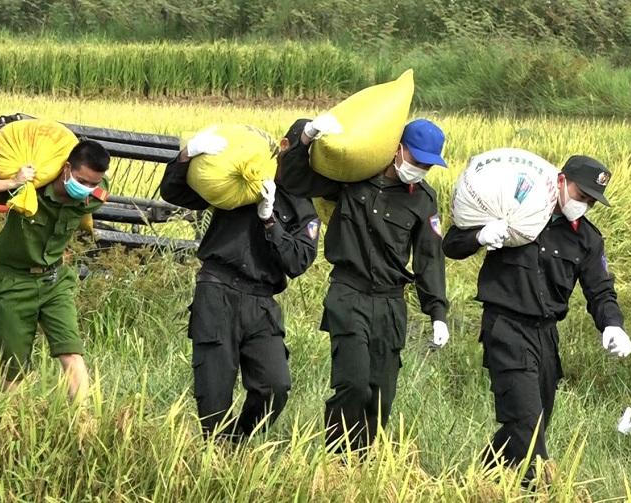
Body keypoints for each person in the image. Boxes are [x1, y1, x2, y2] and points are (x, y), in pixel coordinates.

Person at [442, 155, 631, 476]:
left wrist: (613, 326)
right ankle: (535, 491)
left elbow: (600, 290)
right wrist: (481, 235)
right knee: (527, 426)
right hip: (505, 327)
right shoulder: (516, 210)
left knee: (535, 423)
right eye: (579, 194)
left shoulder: (587, 239)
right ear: (560, 181)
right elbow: (451, 244)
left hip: (546, 336)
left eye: (590, 200)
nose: (583, 204)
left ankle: (480, 480)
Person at [280, 117, 450, 452]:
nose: (420, 170)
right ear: (398, 150)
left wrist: (438, 312)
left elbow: (430, 258)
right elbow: (295, 180)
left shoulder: (423, 200)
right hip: (349, 293)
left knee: (381, 398)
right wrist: (305, 139)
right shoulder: (352, 179)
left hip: (390, 304)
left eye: (428, 166)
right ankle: (335, 460)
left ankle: (362, 465)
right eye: (416, 161)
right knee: (354, 385)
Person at [160, 120, 319, 440]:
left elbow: (297, 261)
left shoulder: (305, 209)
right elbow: (174, 192)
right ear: (283, 148)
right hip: (217, 287)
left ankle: (237, 441)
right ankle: (214, 452)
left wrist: (270, 220)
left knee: (275, 387)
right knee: (213, 395)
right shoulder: (242, 172)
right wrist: (186, 156)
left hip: (262, 303)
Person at [0, 140, 111, 401]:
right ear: (66, 169)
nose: (86, 188)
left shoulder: (95, 195)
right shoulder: (30, 189)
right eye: (81, 180)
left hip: (55, 280)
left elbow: (92, 199)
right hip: (12, 282)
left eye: (92, 183)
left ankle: (85, 424)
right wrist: (13, 183)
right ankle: (12, 425)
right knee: (14, 370)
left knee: (71, 353)